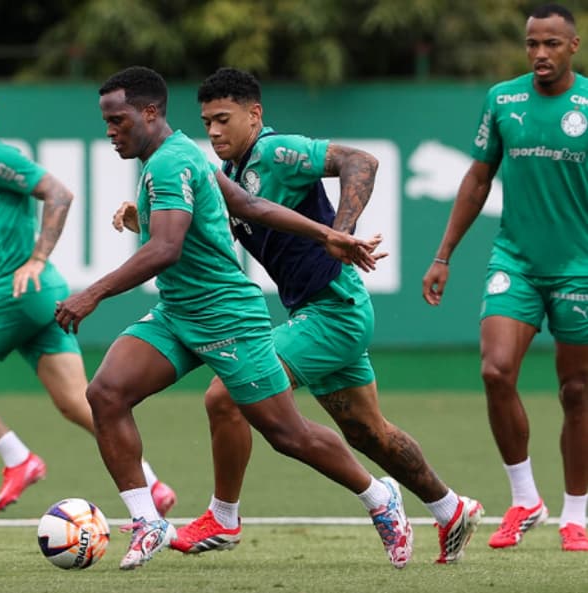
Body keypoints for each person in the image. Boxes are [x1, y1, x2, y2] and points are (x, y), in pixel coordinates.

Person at [110, 67, 481, 565]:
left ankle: (222, 517)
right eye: (207, 122)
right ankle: (450, 507)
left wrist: (340, 236)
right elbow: (215, 215)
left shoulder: (273, 151)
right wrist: (144, 215)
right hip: (314, 310)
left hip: (334, 308)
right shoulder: (229, 174)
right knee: (369, 432)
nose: (214, 131)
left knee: (226, 396)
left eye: (224, 119)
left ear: (254, 115)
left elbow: (360, 160)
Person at [55, 65, 412, 570]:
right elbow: (247, 203)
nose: (111, 131)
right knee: (106, 393)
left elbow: (164, 249)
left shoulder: (168, 163)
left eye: (118, 121)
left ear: (150, 112)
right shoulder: (179, 156)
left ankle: (379, 497)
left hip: (227, 316)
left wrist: (91, 294)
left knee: (288, 434)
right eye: (107, 122)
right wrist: (324, 233)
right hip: (178, 314)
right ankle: (148, 521)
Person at [0, 75, 175, 515]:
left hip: (18, 291)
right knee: (78, 404)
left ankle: (18, 459)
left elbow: (59, 194)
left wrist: (37, 257)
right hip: (44, 296)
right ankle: (154, 486)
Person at [423, 3, 588, 553]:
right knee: (496, 371)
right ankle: (524, 499)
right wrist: (443, 254)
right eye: (532, 44)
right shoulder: (502, 101)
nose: (540, 54)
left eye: (551, 44)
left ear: (573, 46)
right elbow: (476, 179)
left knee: (577, 390)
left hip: (579, 269)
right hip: (514, 261)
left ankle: (577, 513)